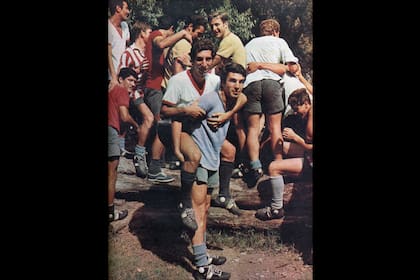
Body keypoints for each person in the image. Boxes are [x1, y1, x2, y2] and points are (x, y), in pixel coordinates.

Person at [161, 39, 247, 230]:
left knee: (229, 150)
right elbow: (164, 112)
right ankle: (185, 204)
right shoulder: (178, 80)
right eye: (199, 59)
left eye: (209, 59)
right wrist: (185, 110)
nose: (205, 64)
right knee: (193, 157)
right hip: (180, 128)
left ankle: (224, 194)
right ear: (192, 60)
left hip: (204, 132)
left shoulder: (216, 80)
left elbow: (242, 96)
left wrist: (228, 114)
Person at [189, 62, 247, 280]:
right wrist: (183, 148)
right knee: (197, 211)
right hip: (199, 159)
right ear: (223, 82)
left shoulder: (233, 99)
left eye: (241, 81)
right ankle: (202, 268)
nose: (237, 86)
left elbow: (244, 99)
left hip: (213, 159)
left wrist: (227, 115)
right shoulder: (211, 99)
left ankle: (202, 254)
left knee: (205, 209)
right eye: (233, 80)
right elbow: (182, 117)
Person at [240, 18, 299, 188]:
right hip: (272, 83)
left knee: (252, 128)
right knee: (275, 127)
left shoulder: (250, 44)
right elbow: (290, 67)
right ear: (276, 32)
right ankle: (278, 162)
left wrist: (258, 65)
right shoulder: (279, 41)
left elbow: (245, 67)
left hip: (251, 84)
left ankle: (255, 165)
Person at [143, 15, 193, 183]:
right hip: (153, 87)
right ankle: (154, 169)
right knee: (164, 126)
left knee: (164, 125)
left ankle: (159, 163)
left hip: (157, 87)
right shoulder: (156, 34)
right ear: (170, 29)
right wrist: (183, 33)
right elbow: (162, 42)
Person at [255, 88, 313, 220]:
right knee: (282, 145)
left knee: (274, 167)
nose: (296, 113)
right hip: (309, 156)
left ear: (306, 103)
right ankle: (288, 174)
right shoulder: (308, 114)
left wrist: (296, 138)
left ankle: (276, 208)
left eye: (297, 109)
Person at [118, 21, 154, 178]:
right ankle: (139, 155)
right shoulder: (129, 52)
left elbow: (144, 77)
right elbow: (122, 75)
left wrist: (144, 73)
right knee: (149, 118)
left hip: (142, 91)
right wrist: (138, 71)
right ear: (142, 33)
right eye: (149, 32)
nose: (151, 36)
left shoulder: (145, 52)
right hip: (133, 94)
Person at [108, 67, 140, 222]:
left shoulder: (111, 90)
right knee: (111, 174)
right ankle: (110, 211)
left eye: (135, 81)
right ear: (120, 79)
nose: (133, 84)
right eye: (130, 80)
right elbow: (124, 116)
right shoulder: (121, 91)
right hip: (110, 130)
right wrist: (137, 125)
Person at [161, 15, 207, 90]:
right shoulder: (184, 44)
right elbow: (178, 73)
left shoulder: (181, 41)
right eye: (199, 34)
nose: (199, 38)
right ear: (190, 27)